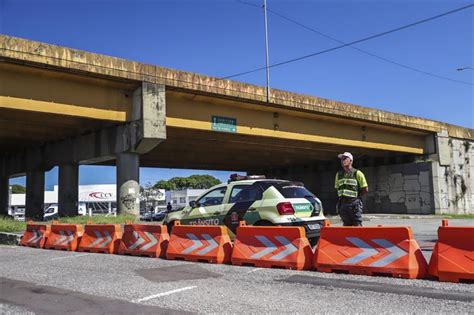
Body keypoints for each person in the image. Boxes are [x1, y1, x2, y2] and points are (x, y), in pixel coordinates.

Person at [335, 152, 368, 226]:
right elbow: (337, 188)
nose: (342, 161)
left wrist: (356, 198)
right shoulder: (338, 174)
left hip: (354, 204)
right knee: (346, 225)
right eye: (342, 159)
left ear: (351, 161)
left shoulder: (357, 173)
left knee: (357, 224)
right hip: (343, 204)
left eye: (345, 159)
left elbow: (365, 189)